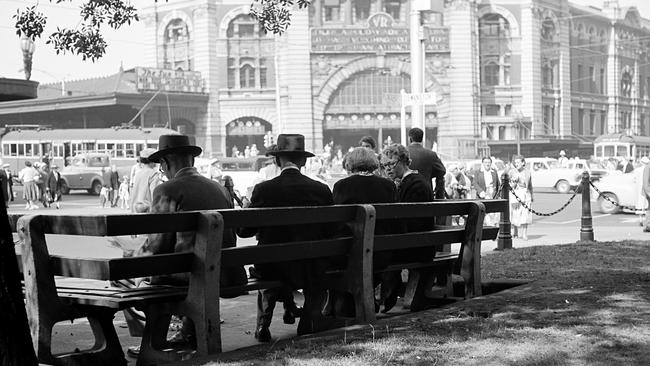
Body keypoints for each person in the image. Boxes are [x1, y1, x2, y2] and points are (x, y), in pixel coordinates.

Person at [115, 134, 247, 354]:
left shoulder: (167, 190)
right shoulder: (220, 189)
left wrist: (132, 257)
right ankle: (187, 331)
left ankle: (153, 342)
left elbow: (157, 245)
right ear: (192, 161)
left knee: (124, 276)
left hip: (187, 278)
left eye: (162, 166)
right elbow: (229, 238)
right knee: (170, 267)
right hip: (225, 274)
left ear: (165, 163)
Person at [238, 133, 333, 342]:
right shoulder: (321, 189)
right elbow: (330, 230)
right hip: (311, 264)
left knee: (270, 266)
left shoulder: (264, 189)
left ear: (277, 160)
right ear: (305, 161)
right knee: (314, 269)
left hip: (273, 266)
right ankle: (309, 319)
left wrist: (246, 209)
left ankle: (263, 324)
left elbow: (244, 232)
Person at [333, 147, 400, 313]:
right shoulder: (388, 185)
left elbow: (336, 224)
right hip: (382, 252)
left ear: (350, 164)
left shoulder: (341, 186)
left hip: (350, 254)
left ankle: (344, 302)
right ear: (373, 163)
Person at [379, 144, 435, 311]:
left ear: (403, 161)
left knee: (377, 251)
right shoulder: (413, 181)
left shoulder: (414, 184)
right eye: (384, 165)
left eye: (391, 164)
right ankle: (386, 293)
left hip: (416, 246)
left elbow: (412, 223)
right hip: (416, 243)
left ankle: (386, 293)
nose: (387, 169)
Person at [406, 128, 446, 199]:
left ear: (410, 138)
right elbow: (442, 171)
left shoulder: (403, 153)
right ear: (422, 139)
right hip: (426, 194)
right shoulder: (431, 154)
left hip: (406, 193)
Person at [508, 155, 534, 240]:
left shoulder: (527, 172)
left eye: (518, 162)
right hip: (515, 194)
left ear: (523, 163)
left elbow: (530, 185)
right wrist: (514, 182)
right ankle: (514, 232)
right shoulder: (511, 172)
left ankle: (524, 234)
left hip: (525, 194)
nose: (516, 164)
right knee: (515, 213)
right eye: (515, 163)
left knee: (525, 214)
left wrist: (532, 195)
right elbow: (509, 185)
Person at [129, 148, 162, 213]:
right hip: (147, 210)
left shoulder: (138, 174)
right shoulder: (154, 174)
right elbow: (154, 194)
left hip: (135, 209)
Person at [473, 156, 500, 226]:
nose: (487, 164)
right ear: (482, 163)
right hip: (482, 195)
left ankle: (492, 229)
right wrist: (480, 191)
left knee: (492, 214)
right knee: (483, 214)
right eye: (485, 162)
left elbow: (498, 184)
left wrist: (497, 195)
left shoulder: (494, 172)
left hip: (492, 195)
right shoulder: (477, 172)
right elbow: (475, 183)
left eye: (489, 162)